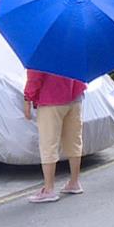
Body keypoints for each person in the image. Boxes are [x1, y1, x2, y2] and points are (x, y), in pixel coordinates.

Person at [24, 70, 87, 203]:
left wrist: (28, 97)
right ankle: (74, 182)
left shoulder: (42, 50)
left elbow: (35, 76)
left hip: (51, 98)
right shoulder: (74, 49)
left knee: (49, 143)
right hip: (75, 96)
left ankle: (49, 189)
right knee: (74, 141)